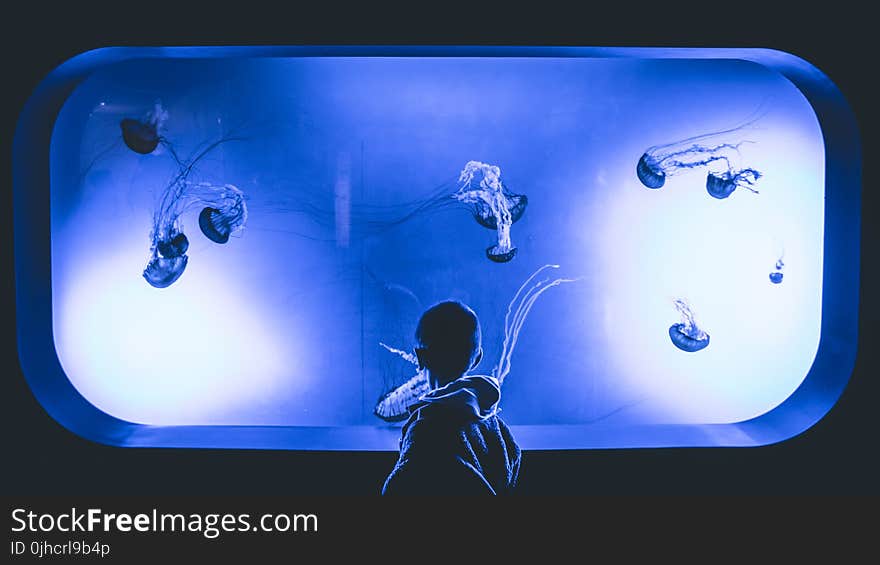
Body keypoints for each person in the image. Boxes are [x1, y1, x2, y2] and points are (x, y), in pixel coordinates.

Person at [381, 300, 521, 495]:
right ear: (477, 358)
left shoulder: (425, 430)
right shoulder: (494, 424)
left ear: (420, 357)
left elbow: (399, 488)